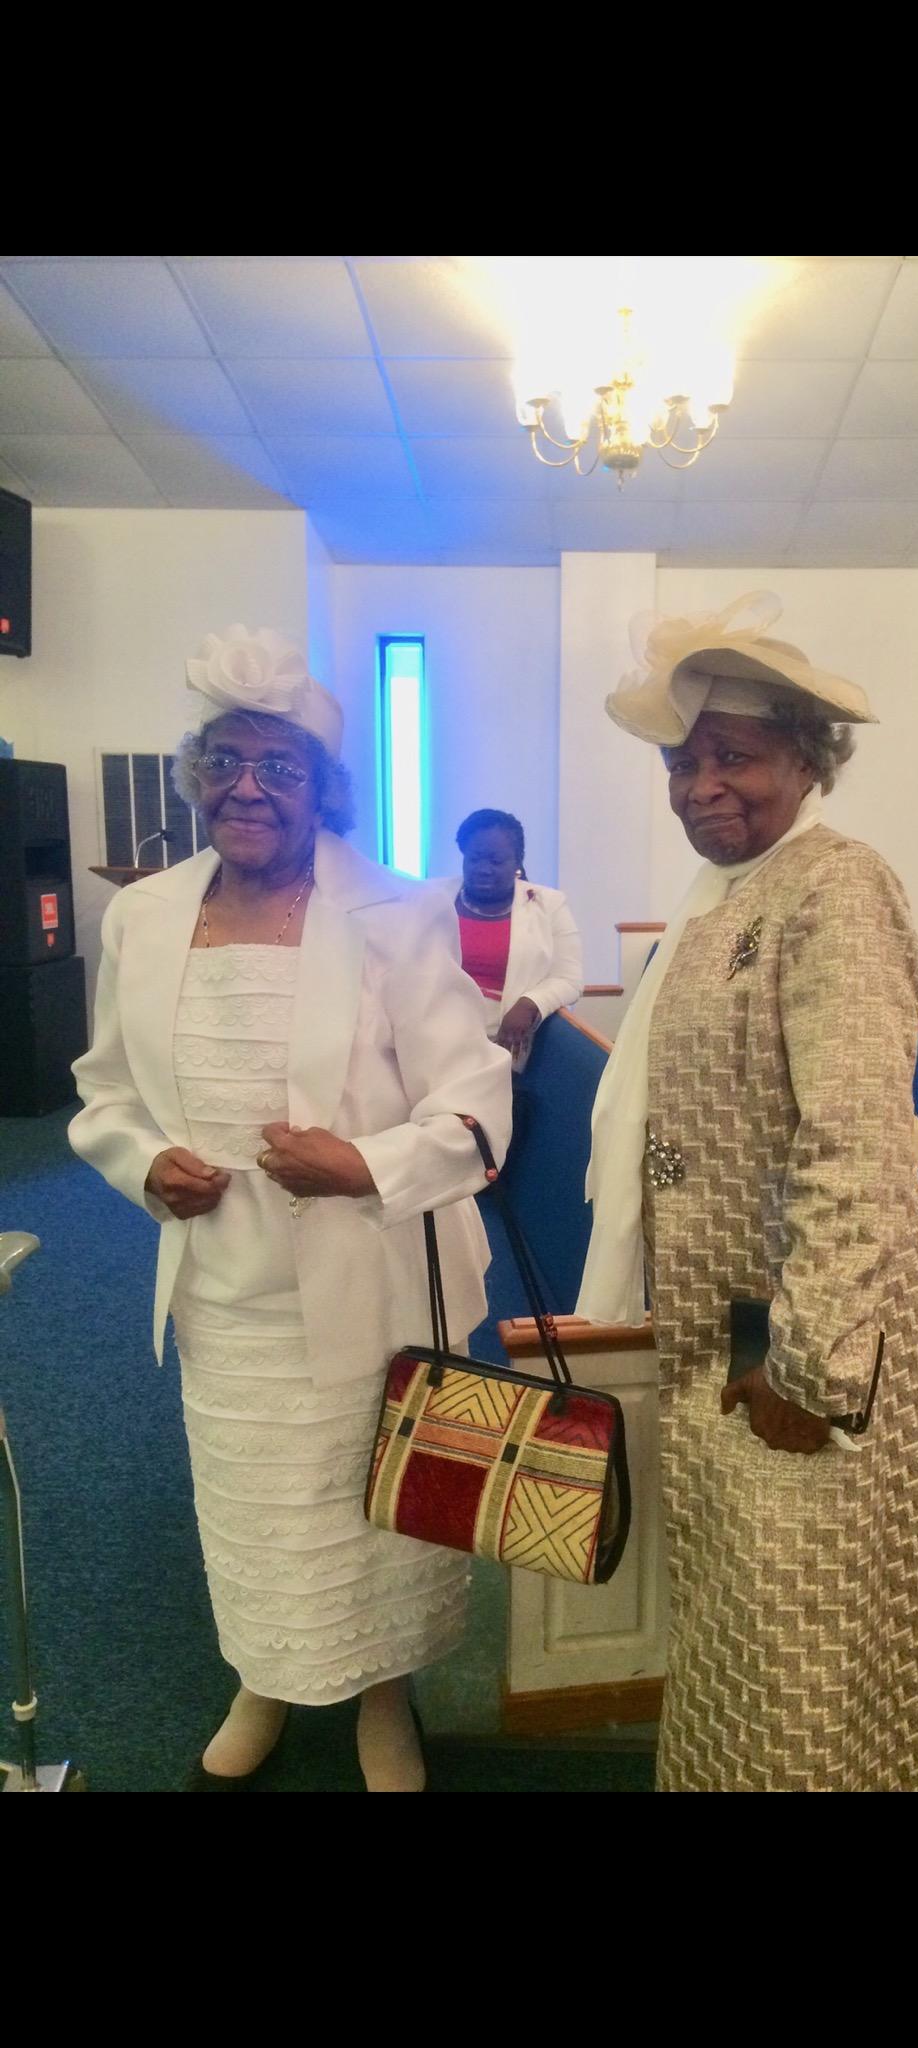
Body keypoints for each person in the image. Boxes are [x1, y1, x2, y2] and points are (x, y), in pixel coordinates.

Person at [69, 625, 511, 1793]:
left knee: (374, 1504)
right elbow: (102, 1090)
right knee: (255, 1503)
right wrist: (140, 1163)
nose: (248, 786)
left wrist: (364, 1163)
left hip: (368, 1272)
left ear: (324, 787)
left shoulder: (397, 911)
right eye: (223, 761)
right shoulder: (143, 914)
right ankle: (262, 1675)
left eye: (280, 765)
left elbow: (478, 1100)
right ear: (195, 776)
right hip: (224, 1282)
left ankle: (384, 1695)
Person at [576, 592, 918, 1793]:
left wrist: (811, 1365)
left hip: (801, 1341)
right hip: (723, 1325)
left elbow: (857, 1140)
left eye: (732, 755)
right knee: (743, 1627)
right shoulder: (723, 895)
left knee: (803, 1640)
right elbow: (683, 1113)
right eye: (682, 763)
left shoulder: (836, 887)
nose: (702, 787)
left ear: (806, 756)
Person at [437, 810, 583, 1068]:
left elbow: (569, 979)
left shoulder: (548, 905)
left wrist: (529, 1004)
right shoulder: (433, 898)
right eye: (474, 859)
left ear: (517, 861)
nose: (484, 869)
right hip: (435, 1035)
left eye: (496, 861)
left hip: (500, 1043)